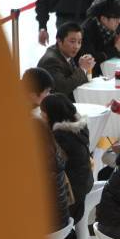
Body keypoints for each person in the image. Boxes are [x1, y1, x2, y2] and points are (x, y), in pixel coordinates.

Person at [22, 68, 72, 233]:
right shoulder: (35, 121)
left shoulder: (33, 122)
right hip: (61, 217)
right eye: (47, 92)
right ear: (31, 94)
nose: (49, 96)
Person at [40, 94, 94, 224]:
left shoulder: (60, 137)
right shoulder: (79, 129)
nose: (41, 115)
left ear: (51, 115)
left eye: (43, 112)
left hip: (69, 198)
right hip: (84, 184)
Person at [37, 22, 96, 101]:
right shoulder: (51, 61)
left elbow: (74, 80)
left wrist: (83, 67)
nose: (76, 46)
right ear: (59, 41)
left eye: (79, 42)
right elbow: (62, 89)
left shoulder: (65, 52)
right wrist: (82, 69)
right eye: (72, 41)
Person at [79, 0, 120, 77]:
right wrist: (116, 48)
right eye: (116, 18)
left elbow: (116, 52)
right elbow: (91, 59)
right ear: (103, 19)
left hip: (104, 72)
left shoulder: (109, 27)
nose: (119, 21)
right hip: (89, 75)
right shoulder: (87, 31)